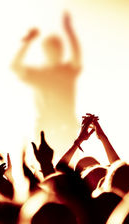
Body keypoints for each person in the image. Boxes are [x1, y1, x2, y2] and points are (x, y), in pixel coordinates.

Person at [12, 12, 82, 155]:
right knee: (46, 166)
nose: (53, 53)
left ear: (60, 52)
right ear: (45, 52)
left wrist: (69, 30)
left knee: (67, 165)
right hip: (45, 127)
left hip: (65, 127)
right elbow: (16, 66)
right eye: (49, 50)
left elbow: (76, 55)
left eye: (56, 50)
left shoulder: (67, 71)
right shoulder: (39, 75)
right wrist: (28, 41)